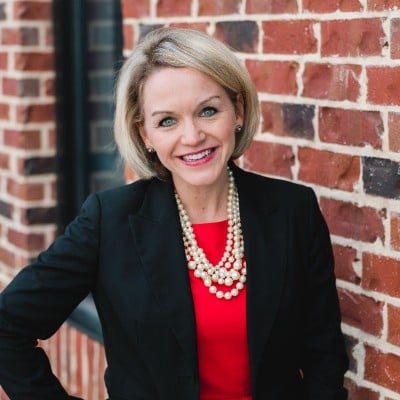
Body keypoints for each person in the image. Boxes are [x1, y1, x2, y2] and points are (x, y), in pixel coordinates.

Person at [0, 27, 348, 399]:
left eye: (208, 111)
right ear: (146, 135)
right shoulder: (108, 221)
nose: (192, 136)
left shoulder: (294, 211)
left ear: (238, 111)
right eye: (167, 121)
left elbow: (324, 358)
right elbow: (7, 328)